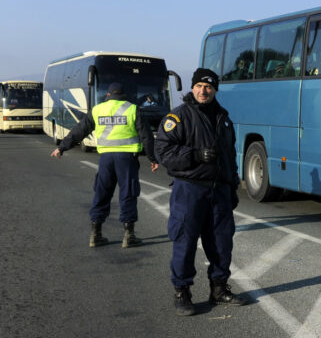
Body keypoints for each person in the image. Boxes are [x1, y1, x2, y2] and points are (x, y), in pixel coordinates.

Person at [155, 68, 250, 317]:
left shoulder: (223, 118)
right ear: (193, 87)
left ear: (215, 89)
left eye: (208, 87)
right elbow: (163, 152)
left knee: (221, 242)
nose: (203, 91)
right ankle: (182, 292)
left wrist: (232, 186)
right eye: (199, 86)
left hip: (219, 191)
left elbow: (230, 157)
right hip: (189, 189)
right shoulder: (179, 116)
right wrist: (195, 155)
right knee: (185, 241)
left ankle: (218, 289)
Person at [50, 82, 159, 248]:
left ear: (108, 94)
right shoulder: (133, 109)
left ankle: (96, 234)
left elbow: (79, 131)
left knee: (102, 193)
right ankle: (128, 235)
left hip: (106, 158)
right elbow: (146, 136)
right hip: (127, 158)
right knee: (128, 193)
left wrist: (62, 147)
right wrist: (152, 158)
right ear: (123, 94)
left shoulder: (97, 110)